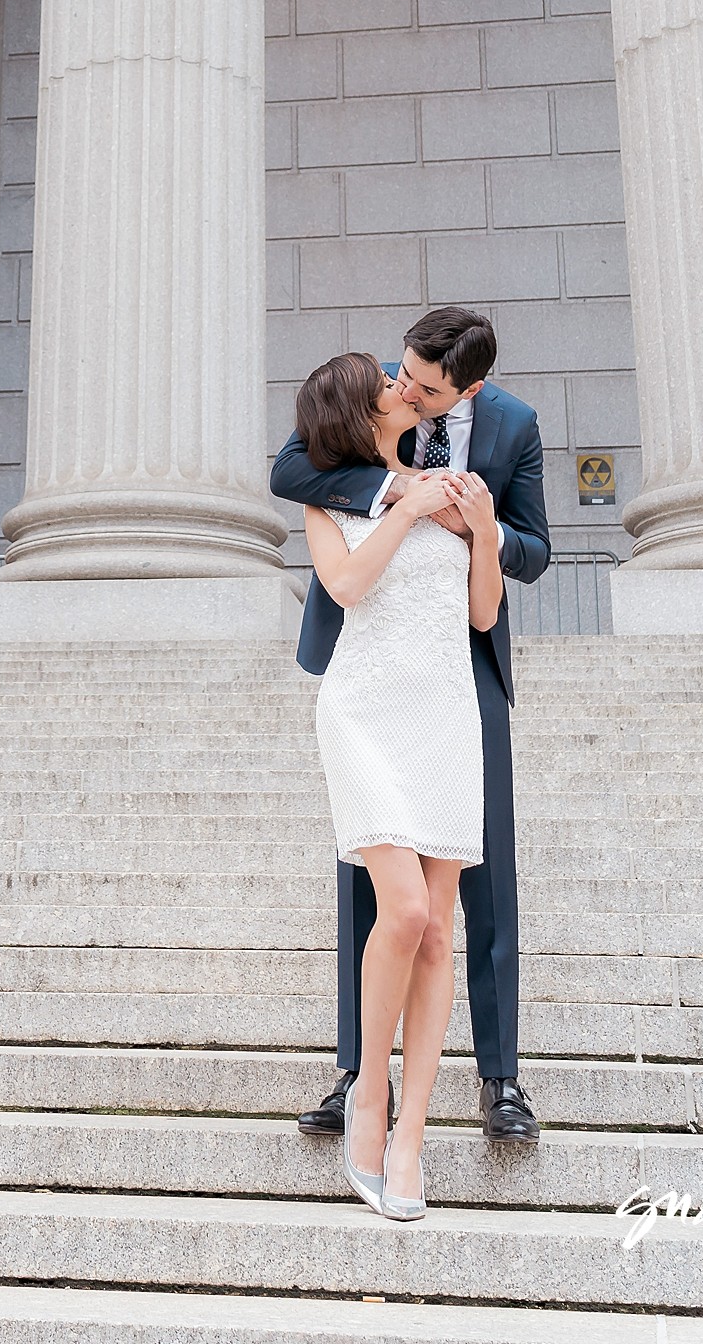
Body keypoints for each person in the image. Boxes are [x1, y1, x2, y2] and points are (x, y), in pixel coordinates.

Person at [272, 305, 550, 1148]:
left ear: (468, 388)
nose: (409, 392)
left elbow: (535, 549)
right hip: (374, 649)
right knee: (375, 876)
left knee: (481, 871)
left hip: (464, 652)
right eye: (405, 376)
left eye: (428, 389)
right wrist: (395, 492)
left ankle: (499, 1078)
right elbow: (293, 472)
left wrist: (479, 529)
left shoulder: (512, 427)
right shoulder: (377, 404)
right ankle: (361, 1073)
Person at [297, 348, 503, 1218]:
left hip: (446, 713)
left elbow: (483, 612)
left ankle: (413, 1133)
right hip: (366, 711)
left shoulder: (446, 485)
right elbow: (344, 584)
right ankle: (369, 1102)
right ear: (358, 410)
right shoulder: (331, 495)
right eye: (386, 385)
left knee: (437, 936)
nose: (401, 386)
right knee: (405, 910)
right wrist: (405, 506)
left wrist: (481, 530)